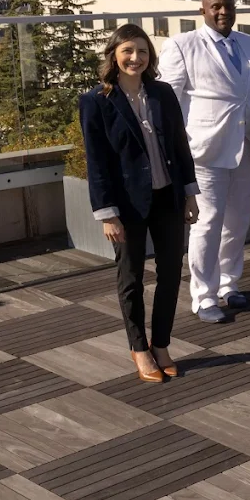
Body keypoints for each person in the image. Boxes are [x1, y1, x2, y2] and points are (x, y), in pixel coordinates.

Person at [80, 25, 200, 381]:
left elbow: (180, 146)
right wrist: (107, 214)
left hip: (168, 197)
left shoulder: (162, 93)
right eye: (128, 51)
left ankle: (160, 344)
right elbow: (96, 163)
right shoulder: (96, 101)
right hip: (126, 206)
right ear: (114, 56)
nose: (136, 58)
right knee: (130, 277)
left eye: (143, 51)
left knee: (170, 274)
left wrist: (190, 193)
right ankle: (139, 347)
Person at [158, 0, 250, 323]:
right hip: (205, 148)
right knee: (207, 223)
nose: (223, 12)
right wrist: (177, 146)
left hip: (246, 143)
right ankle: (204, 295)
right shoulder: (183, 45)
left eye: (228, 6)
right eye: (216, 7)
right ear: (203, 10)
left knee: (238, 220)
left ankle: (228, 284)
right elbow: (169, 101)